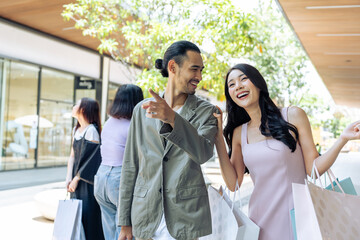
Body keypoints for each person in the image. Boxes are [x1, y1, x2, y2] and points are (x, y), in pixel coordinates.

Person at [213, 63, 360, 240]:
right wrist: (218, 138)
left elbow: (314, 168)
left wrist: (342, 139)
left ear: (258, 83)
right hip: (259, 220)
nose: (238, 86)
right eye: (232, 84)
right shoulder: (239, 133)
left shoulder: (293, 115)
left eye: (244, 79)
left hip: (297, 215)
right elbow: (233, 183)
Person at [118, 40, 219, 240]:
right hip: (145, 218)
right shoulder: (142, 110)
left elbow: (204, 153)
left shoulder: (208, 112)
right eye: (194, 69)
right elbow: (130, 166)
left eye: (201, 70)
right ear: (173, 67)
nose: (199, 77)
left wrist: (172, 118)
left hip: (185, 220)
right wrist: (125, 223)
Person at [94, 84, 144, 240]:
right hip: (120, 179)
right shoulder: (133, 126)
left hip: (101, 177)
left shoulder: (109, 122)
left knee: (109, 229)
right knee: (125, 233)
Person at [66, 97, 105, 240]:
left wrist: (76, 178)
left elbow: (92, 160)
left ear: (83, 109)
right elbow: (72, 156)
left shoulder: (91, 131)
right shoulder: (76, 129)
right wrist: (68, 178)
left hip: (86, 183)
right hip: (76, 181)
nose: (74, 106)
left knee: (88, 218)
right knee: (77, 218)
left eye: (77, 104)